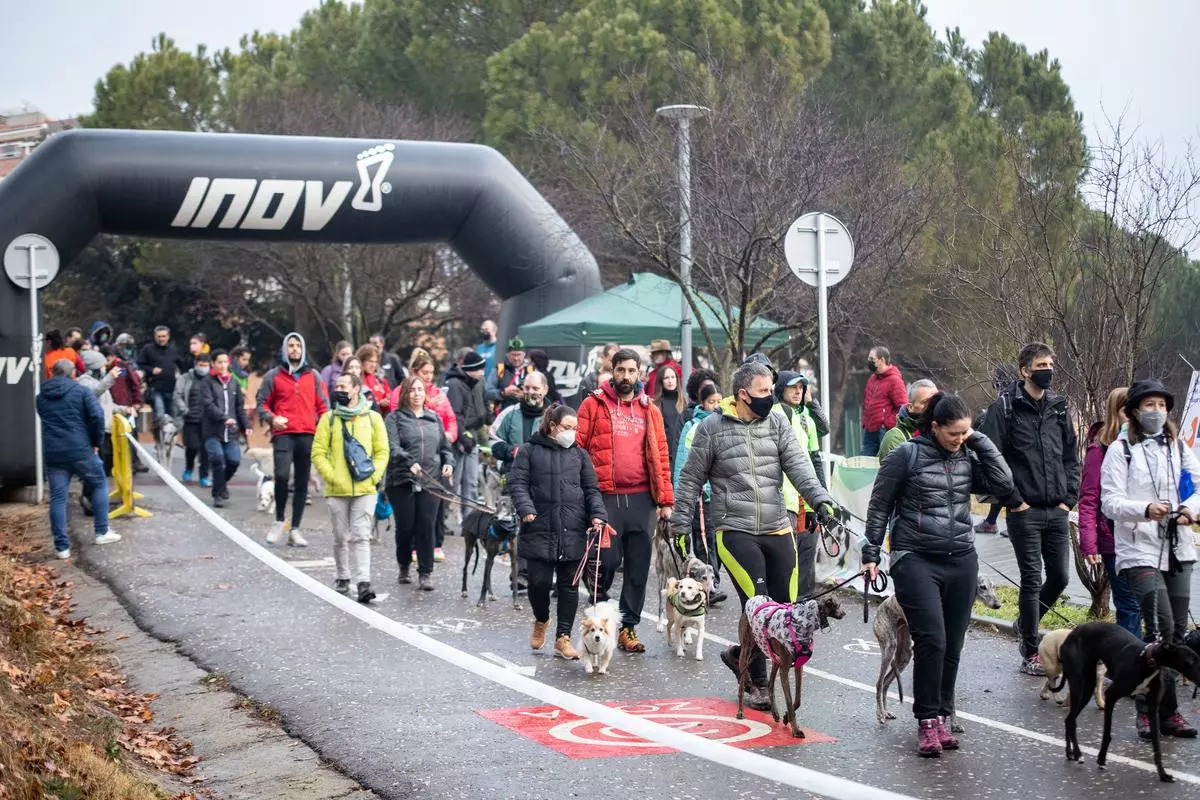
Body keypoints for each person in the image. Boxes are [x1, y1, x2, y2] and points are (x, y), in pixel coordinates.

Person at [672, 360, 837, 708]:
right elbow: (689, 480)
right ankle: (758, 681)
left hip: (778, 525)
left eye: (771, 391)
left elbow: (800, 466)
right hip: (734, 529)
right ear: (744, 394)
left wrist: (821, 500)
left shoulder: (777, 422)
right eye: (764, 392)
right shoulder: (711, 428)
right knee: (758, 605)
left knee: (785, 607)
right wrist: (680, 524)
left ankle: (740, 656)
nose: (770, 397)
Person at [862, 393, 1014, 756]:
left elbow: (1004, 485)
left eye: (965, 433)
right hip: (915, 558)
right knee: (932, 639)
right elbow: (879, 504)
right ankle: (927, 721)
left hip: (961, 558)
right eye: (953, 433)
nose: (959, 439)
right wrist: (871, 553)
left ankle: (943, 715)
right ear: (934, 427)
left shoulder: (966, 456)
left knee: (953, 644)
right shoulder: (906, 455)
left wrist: (979, 440)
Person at [1101, 378, 1200, 739]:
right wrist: (1145, 509)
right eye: (1149, 405)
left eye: (1162, 405)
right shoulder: (1120, 450)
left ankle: (1168, 712)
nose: (1157, 412)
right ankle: (1148, 710)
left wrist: (1188, 509)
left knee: (1177, 636)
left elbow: (1197, 485)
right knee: (1161, 629)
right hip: (1139, 550)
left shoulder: (1178, 446)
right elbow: (1109, 502)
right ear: (1133, 411)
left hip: (1178, 548)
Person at [978, 342, 1079, 676]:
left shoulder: (1059, 407)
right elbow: (990, 458)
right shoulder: (1005, 408)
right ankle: (1031, 650)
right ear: (1025, 371)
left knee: (1060, 577)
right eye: (1040, 365)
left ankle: (1025, 622)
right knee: (1032, 579)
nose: (1047, 370)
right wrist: (1014, 500)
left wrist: (1069, 498)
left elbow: (1071, 456)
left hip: (1057, 510)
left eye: (1050, 364)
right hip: (1024, 511)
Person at [576, 348, 675, 654]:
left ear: (639, 373)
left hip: (642, 498)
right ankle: (600, 611)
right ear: (613, 370)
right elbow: (578, 449)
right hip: (605, 496)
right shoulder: (593, 405)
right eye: (621, 370)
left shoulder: (650, 410)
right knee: (605, 561)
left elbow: (661, 455)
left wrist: (665, 500)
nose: (626, 376)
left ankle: (628, 627)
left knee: (638, 567)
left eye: (632, 371)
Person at [509, 404, 607, 659]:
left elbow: (591, 489)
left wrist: (597, 514)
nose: (572, 432)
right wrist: (525, 508)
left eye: (575, 428)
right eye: (567, 427)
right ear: (552, 426)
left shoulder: (580, 456)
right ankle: (541, 619)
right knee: (538, 582)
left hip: (573, 529)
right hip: (539, 527)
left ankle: (563, 637)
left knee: (569, 586)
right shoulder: (529, 451)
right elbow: (517, 483)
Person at [312, 371, 389, 603]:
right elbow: (318, 452)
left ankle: (364, 582)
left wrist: (373, 476)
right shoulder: (329, 419)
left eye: (344, 386)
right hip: (337, 489)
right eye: (337, 386)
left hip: (365, 488)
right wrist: (332, 476)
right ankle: (342, 576)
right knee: (340, 536)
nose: (339, 390)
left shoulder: (373, 418)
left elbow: (382, 451)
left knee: (362, 535)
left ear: (356, 389)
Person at [38, 359, 122, 558]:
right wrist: (96, 441)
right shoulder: (82, 392)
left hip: (54, 452)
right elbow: (97, 416)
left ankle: (61, 548)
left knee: (58, 497)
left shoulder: (41, 397)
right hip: (81, 450)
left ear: (52, 373)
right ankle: (102, 531)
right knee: (99, 483)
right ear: (73, 373)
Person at [1077, 387, 1140, 637]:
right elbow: (1089, 499)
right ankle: (1131, 657)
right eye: (1127, 410)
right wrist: (1089, 543)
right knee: (1130, 606)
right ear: (1116, 412)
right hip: (1114, 539)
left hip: (1144, 537)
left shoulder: (1145, 446)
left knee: (1147, 606)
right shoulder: (1100, 450)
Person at [257, 333, 329, 547]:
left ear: (303, 349)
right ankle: (279, 519)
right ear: (285, 349)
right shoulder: (273, 376)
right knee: (281, 475)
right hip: (283, 434)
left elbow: (323, 405)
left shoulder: (313, 376)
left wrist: (325, 427)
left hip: (307, 434)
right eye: (291, 346)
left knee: (301, 482)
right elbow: (262, 403)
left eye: (298, 345)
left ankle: (295, 529)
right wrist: (272, 418)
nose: (295, 349)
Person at [386, 376, 453, 590]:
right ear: (404, 394)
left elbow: (445, 448)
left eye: (420, 390)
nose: (416, 394)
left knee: (426, 525)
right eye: (412, 390)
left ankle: (425, 572)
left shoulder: (434, 418)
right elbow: (393, 447)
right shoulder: (394, 418)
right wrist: (409, 462)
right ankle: (404, 565)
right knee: (405, 527)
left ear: (425, 394)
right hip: (402, 480)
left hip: (430, 480)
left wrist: (448, 463)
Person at [773, 370, 827, 598]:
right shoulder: (773, 414)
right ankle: (783, 604)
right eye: (792, 387)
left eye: (801, 388)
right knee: (786, 557)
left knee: (807, 551)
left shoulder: (806, 420)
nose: (798, 392)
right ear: (780, 389)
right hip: (782, 498)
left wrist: (821, 498)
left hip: (805, 497)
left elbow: (814, 459)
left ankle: (804, 602)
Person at [402, 350, 458, 561]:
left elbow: (451, 419)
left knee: (439, 501)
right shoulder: (406, 392)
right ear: (415, 372)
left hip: (438, 451)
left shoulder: (439, 394)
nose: (428, 377)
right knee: (417, 507)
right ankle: (414, 546)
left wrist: (450, 435)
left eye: (431, 372)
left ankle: (436, 543)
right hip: (415, 456)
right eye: (424, 372)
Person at [673, 382, 726, 602]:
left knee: (718, 542)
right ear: (703, 403)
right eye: (711, 402)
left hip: (721, 494)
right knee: (704, 541)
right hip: (701, 495)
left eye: (719, 401)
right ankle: (707, 587)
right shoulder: (693, 426)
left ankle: (712, 581)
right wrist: (683, 493)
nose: (716, 405)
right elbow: (682, 461)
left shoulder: (726, 423)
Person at [201, 350, 252, 509]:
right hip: (212, 431)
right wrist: (224, 418)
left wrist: (246, 425)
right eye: (219, 362)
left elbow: (239, 407)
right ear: (213, 364)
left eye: (225, 362)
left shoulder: (234, 382)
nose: (223, 365)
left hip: (231, 432)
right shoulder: (207, 382)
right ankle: (217, 495)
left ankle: (221, 484)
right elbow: (208, 405)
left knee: (234, 461)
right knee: (217, 458)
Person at [974, 365, 1020, 535]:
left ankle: (1006, 523)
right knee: (1007, 481)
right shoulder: (1018, 393)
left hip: (1009, 446)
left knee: (1007, 481)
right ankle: (994, 521)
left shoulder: (1006, 397)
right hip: (1014, 447)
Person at [443, 349, 488, 508]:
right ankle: (443, 515)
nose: (483, 373)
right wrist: (463, 438)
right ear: (472, 369)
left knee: (471, 482)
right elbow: (455, 415)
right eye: (480, 369)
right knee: (454, 483)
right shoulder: (455, 384)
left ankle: (470, 518)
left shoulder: (472, 382)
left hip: (472, 435)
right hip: (459, 439)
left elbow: (482, 401)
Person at [77, 349, 126, 479]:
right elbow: (93, 393)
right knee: (98, 469)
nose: (105, 368)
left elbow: (107, 405)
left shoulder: (101, 381)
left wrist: (124, 409)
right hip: (96, 430)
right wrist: (110, 378)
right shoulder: (84, 382)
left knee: (107, 465)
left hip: (106, 430)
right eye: (103, 366)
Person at [490, 372, 549, 475]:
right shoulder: (509, 413)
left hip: (544, 476)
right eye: (527, 388)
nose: (530, 392)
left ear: (545, 390)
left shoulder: (555, 417)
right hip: (513, 475)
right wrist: (512, 451)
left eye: (535, 388)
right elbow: (493, 440)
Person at [173, 352, 212, 487]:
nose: (202, 368)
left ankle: (204, 476)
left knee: (206, 449)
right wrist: (184, 409)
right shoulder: (185, 378)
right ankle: (189, 467)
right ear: (195, 364)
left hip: (208, 420)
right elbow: (177, 395)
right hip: (190, 418)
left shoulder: (212, 379)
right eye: (200, 365)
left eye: (205, 365)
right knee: (192, 446)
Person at [861, 345, 906, 457]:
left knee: (885, 461)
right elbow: (866, 401)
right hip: (869, 429)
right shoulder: (872, 378)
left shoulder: (895, 380)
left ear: (881, 360)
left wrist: (886, 422)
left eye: (872, 359)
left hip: (884, 431)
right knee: (866, 462)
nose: (869, 361)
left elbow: (902, 407)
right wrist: (865, 422)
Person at [878, 379, 939, 461]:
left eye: (936, 402)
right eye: (925, 403)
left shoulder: (944, 431)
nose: (932, 406)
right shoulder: (895, 438)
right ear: (910, 407)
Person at [139, 326, 183, 422]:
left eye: (163, 336)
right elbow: (140, 365)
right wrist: (151, 370)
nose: (161, 339)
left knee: (174, 417)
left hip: (172, 389)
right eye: (159, 336)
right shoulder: (148, 349)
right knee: (160, 416)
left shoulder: (173, 350)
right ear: (155, 336)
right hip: (156, 388)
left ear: (168, 336)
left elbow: (181, 364)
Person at [486, 338, 533, 415]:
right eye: (513, 355)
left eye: (519, 355)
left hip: (526, 414)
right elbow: (487, 392)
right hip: (503, 415)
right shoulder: (499, 369)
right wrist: (503, 393)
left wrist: (524, 396)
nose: (516, 358)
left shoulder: (531, 370)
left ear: (524, 354)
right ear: (507, 354)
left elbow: (539, 395)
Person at [653, 364, 685, 472]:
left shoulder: (683, 402)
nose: (670, 381)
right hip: (664, 456)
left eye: (672, 377)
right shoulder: (655, 404)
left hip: (681, 455)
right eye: (666, 378)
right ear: (661, 381)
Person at [357, 344, 393, 415]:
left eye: (375, 362)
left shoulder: (379, 379)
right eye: (370, 361)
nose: (373, 365)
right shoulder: (355, 380)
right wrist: (379, 404)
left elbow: (390, 398)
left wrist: (387, 401)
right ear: (361, 360)